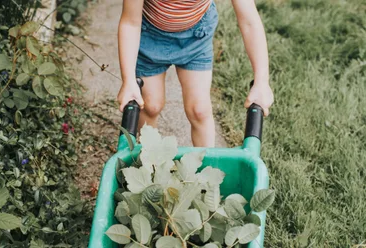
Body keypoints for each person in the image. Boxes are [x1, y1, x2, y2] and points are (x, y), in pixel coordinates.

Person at [117, 0, 274, 147]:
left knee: (199, 110)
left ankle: (205, 169)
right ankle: (149, 161)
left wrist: (261, 81)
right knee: (151, 106)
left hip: (196, 38)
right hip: (149, 36)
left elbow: (249, 22)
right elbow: (130, 23)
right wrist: (128, 80)